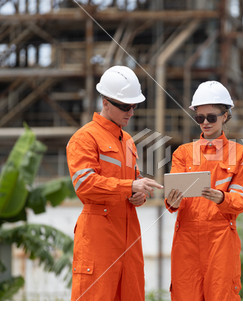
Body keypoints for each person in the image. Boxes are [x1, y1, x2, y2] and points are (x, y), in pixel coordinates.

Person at [66, 65, 163, 301]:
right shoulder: (85, 137)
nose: (130, 112)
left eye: (134, 106)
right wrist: (129, 187)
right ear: (105, 102)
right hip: (99, 240)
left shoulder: (128, 141)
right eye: (124, 106)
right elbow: (85, 185)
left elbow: (132, 183)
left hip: (129, 240)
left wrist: (138, 193)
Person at [165, 81, 243, 301]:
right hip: (186, 239)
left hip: (221, 239)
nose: (205, 123)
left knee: (221, 298)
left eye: (211, 117)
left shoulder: (240, 154)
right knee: (185, 299)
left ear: (225, 116)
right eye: (200, 117)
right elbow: (174, 197)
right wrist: (173, 201)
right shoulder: (183, 153)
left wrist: (222, 198)